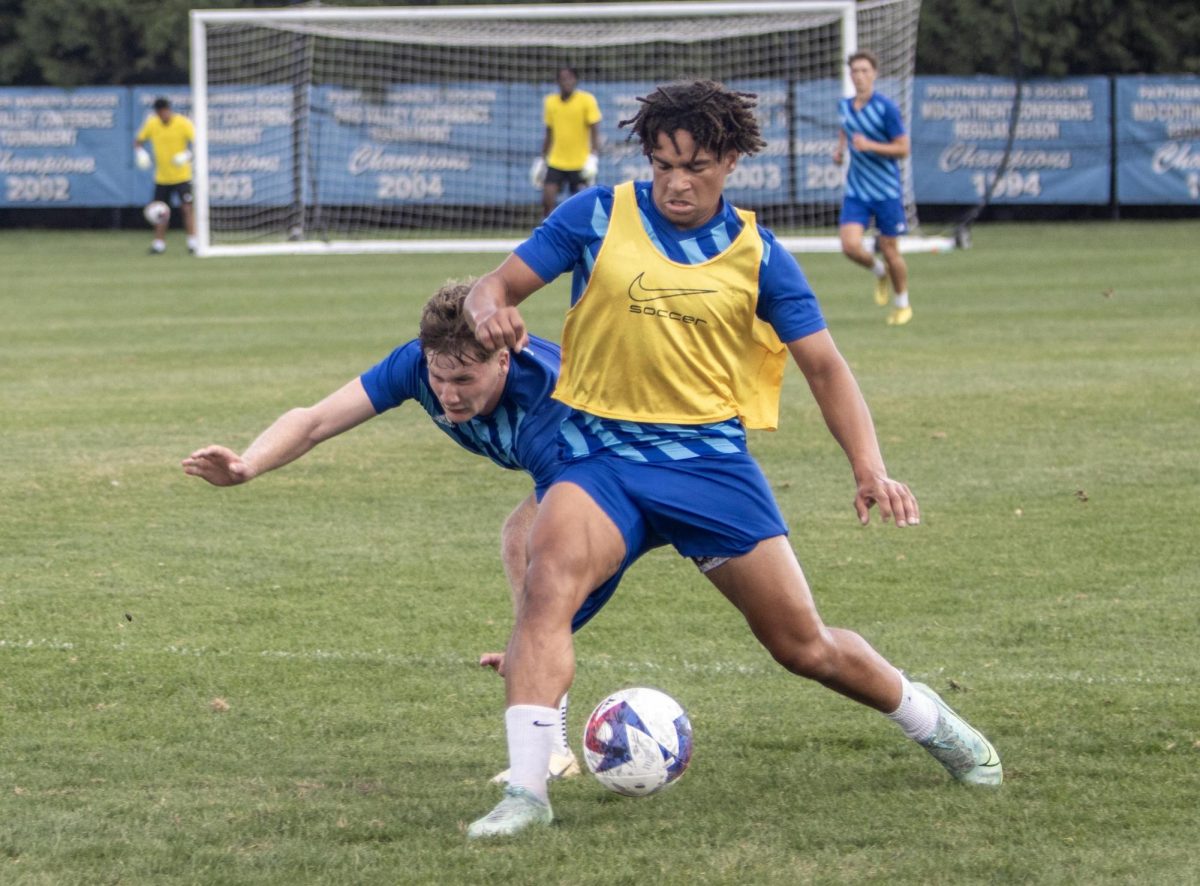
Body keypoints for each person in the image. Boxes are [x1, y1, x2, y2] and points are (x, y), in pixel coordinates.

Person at [464, 80, 1001, 839]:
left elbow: (825, 366)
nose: (677, 183)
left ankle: (931, 719)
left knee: (803, 645)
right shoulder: (594, 215)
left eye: (698, 166)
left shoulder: (759, 253)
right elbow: (497, 283)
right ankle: (526, 791)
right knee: (545, 590)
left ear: (733, 161)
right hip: (600, 456)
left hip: (709, 466)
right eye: (663, 165)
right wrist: (489, 306)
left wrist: (869, 466)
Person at [181, 281, 666, 783]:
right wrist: (248, 465)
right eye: (439, 377)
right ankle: (548, 749)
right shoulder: (416, 366)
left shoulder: (548, 404)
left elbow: (572, 556)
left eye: (463, 378)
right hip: (593, 469)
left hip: (647, 467)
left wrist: (531, 642)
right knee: (519, 541)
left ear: (503, 360)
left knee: (539, 550)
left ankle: (544, 732)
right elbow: (315, 421)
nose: (448, 395)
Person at [833, 51, 913, 326]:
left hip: (886, 191)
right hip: (857, 189)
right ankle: (879, 272)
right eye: (855, 71)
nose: (859, 76)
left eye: (865, 70)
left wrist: (871, 146)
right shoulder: (844, 106)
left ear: (874, 74)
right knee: (849, 246)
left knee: (891, 250)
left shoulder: (886, 109)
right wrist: (840, 149)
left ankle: (902, 303)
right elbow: (845, 129)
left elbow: (903, 148)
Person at [134, 97, 197, 255]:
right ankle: (159, 244)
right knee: (159, 211)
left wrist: (187, 154)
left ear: (169, 110)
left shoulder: (183, 123)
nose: (163, 115)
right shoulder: (152, 124)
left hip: (182, 176)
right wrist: (141, 153)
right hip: (162, 177)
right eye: (160, 112)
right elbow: (138, 141)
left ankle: (193, 242)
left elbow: (198, 142)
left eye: (165, 111)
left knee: (187, 208)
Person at [538, 66, 602, 218]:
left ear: (575, 80)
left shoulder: (587, 100)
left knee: (585, 204)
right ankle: (549, 233)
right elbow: (549, 132)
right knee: (548, 199)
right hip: (556, 160)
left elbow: (594, 130)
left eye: (569, 78)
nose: (566, 82)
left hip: (579, 161)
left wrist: (593, 157)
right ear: (557, 81)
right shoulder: (550, 102)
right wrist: (541, 158)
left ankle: (584, 235)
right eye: (563, 79)